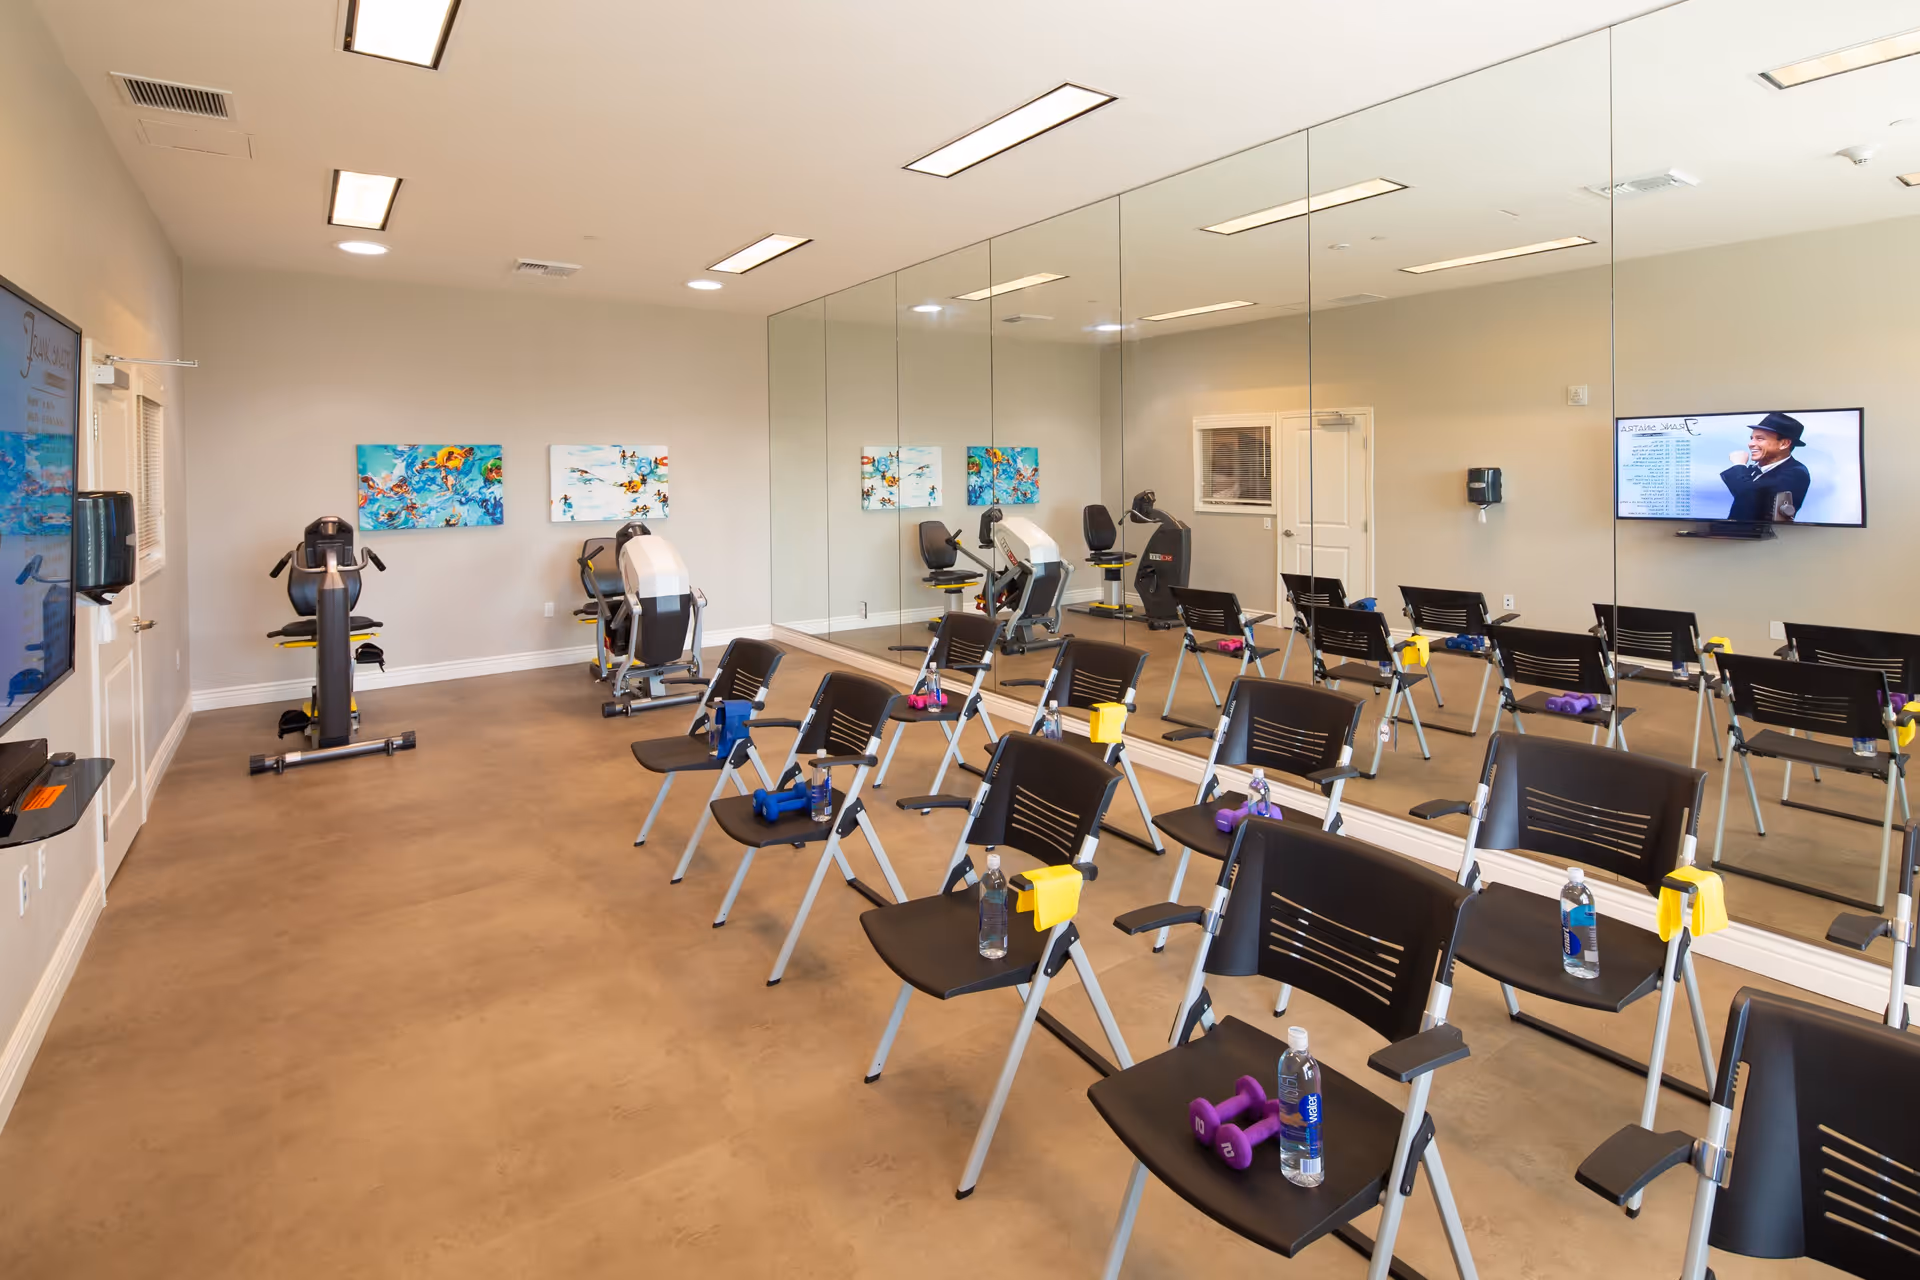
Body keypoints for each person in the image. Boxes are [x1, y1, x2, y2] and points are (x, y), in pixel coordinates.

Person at [1719, 412, 1811, 522]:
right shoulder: (1754, 469)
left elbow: (1748, 496)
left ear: (1784, 444)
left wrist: (1739, 465)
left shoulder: (1796, 472)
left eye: (1760, 438)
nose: (1751, 444)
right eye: (1752, 438)